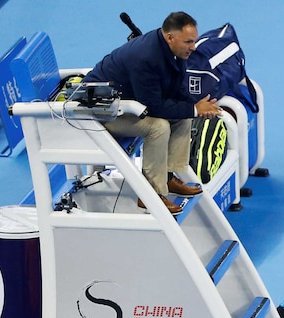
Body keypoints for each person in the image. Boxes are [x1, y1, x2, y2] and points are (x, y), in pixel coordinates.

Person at [84, 12, 222, 216]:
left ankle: (166, 177)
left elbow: (176, 88)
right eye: (188, 42)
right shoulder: (145, 58)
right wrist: (194, 109)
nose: (193, 47)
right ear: (169, 37)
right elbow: (153, 107)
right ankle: (150, 195)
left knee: (183, 116)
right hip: (100, 113)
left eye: (194, 41)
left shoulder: (176, 51)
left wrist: (194, 106)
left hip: (126, 103)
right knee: (158, 127)